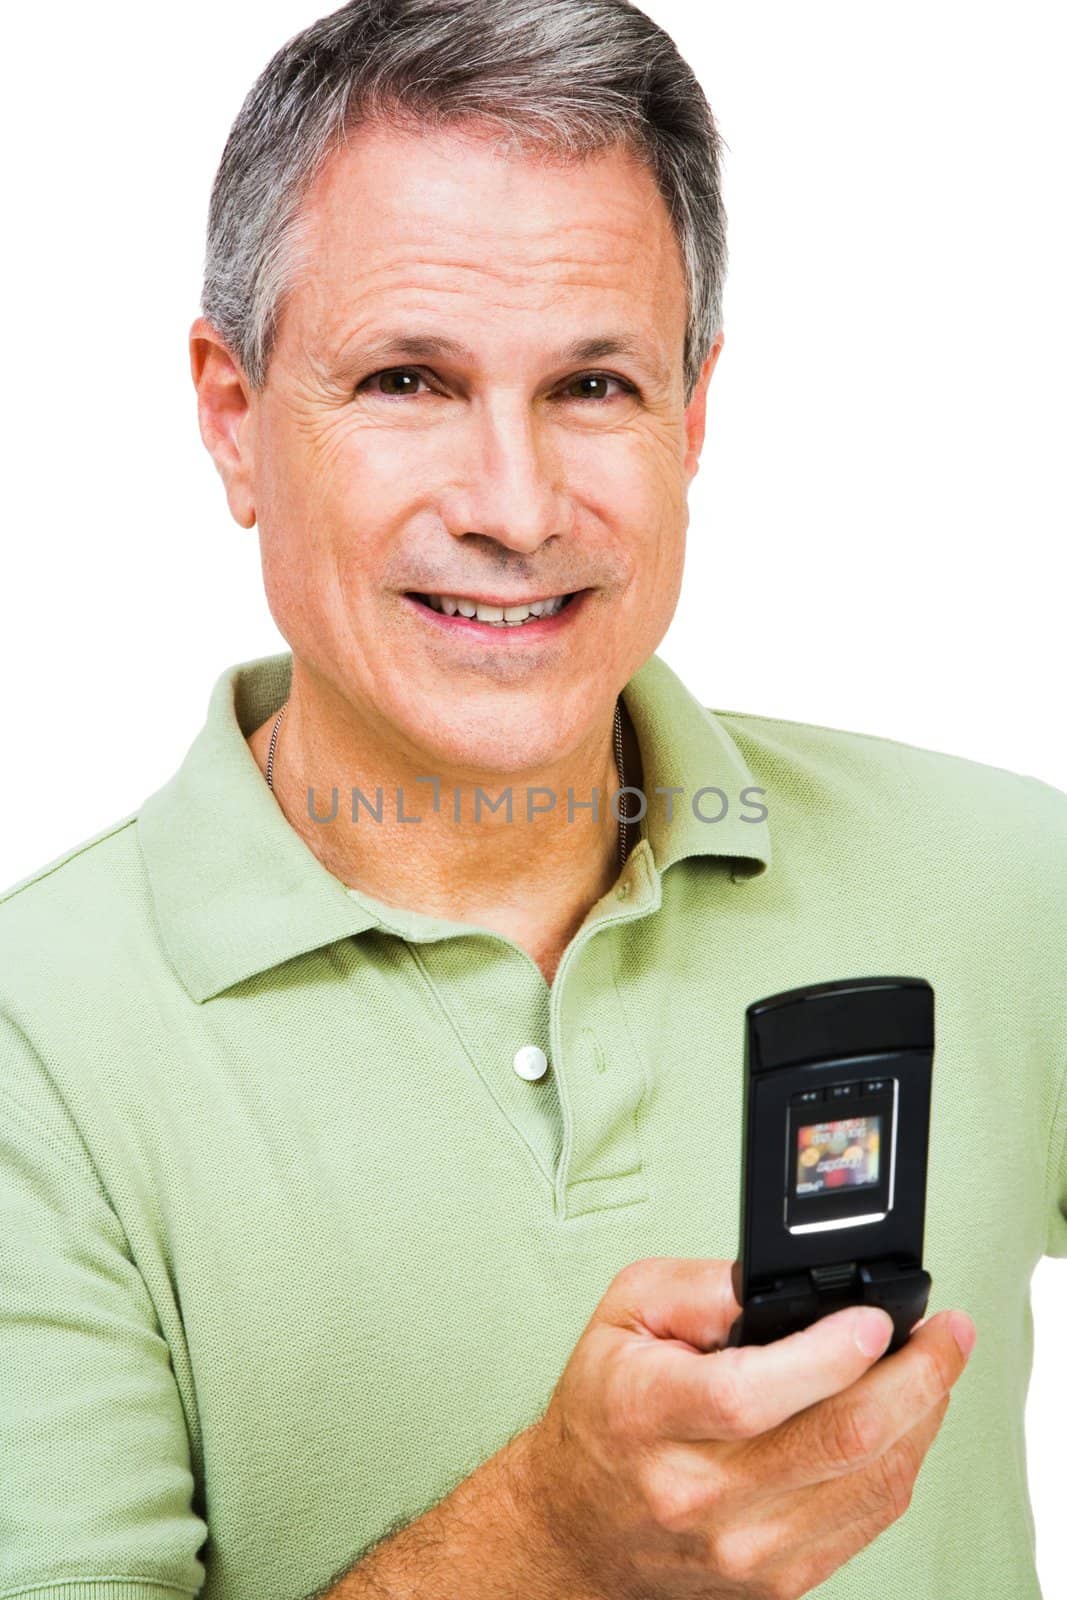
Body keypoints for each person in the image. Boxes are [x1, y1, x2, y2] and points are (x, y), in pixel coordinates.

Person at [2, 2, 1065, 1597]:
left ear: (693, 414)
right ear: (232, 417)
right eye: (410, 379)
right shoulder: (34, 1050)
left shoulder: (1014, 881)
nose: (514, 508)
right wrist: (552, 1549)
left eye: (593, 387)